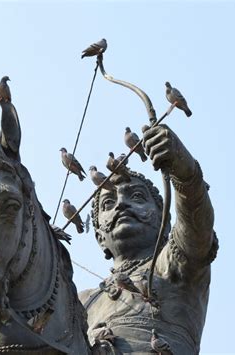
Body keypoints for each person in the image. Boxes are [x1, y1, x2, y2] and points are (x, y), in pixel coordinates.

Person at [79, 124, 218, 354]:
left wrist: (184, 171)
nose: (121, 204)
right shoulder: (80, 303)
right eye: (108, 204)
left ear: (165, 223)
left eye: (136, 196)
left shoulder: (173, 266)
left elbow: (196, 226)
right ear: (99, 237)